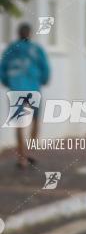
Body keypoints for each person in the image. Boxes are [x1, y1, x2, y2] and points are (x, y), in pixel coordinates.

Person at [0, 22, 50, 169]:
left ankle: (23, 156)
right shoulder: (36, 50)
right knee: (35, 120)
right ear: (30, 34)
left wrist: (7, 81)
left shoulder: (10, 49)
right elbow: (45, 68)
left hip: (16, 88)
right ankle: (30, 151)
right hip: (33, 88)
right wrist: (43, 79)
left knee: (19, 123)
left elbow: (2, 68)